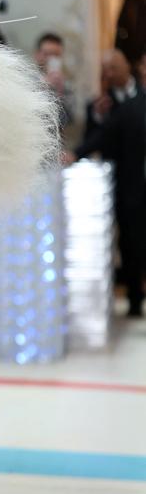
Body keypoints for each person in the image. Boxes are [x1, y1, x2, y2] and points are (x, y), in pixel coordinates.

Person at [71, 49, 146, 317]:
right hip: (118, 186)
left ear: (128, 66)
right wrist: (100, 118)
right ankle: (134, 302)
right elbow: (94, 141)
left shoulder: (142, 97)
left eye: (114, 68)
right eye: (106, 70)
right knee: (127, 244)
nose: (110, 74)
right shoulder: (99, 105)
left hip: (142, 179)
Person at [34, 32, 75, 134]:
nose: (51, 59)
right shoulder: (27, 80)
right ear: (37, 55)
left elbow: (68, 121)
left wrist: (60, 93)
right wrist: (43, 87)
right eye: (47, 54)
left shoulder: (66, 85)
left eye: (56, 55)